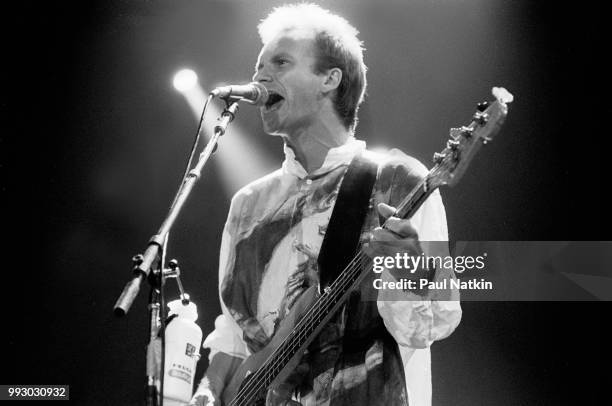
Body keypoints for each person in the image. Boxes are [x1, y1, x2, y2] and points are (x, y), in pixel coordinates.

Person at [190, 4, 461, 406]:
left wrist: (411, 272)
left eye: (280, 62)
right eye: (258, 66)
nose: (259, 77)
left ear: (330, 79)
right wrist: (208, 391)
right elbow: (234, 332)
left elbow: (430, 327)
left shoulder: (398, 181)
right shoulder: (248, 206)